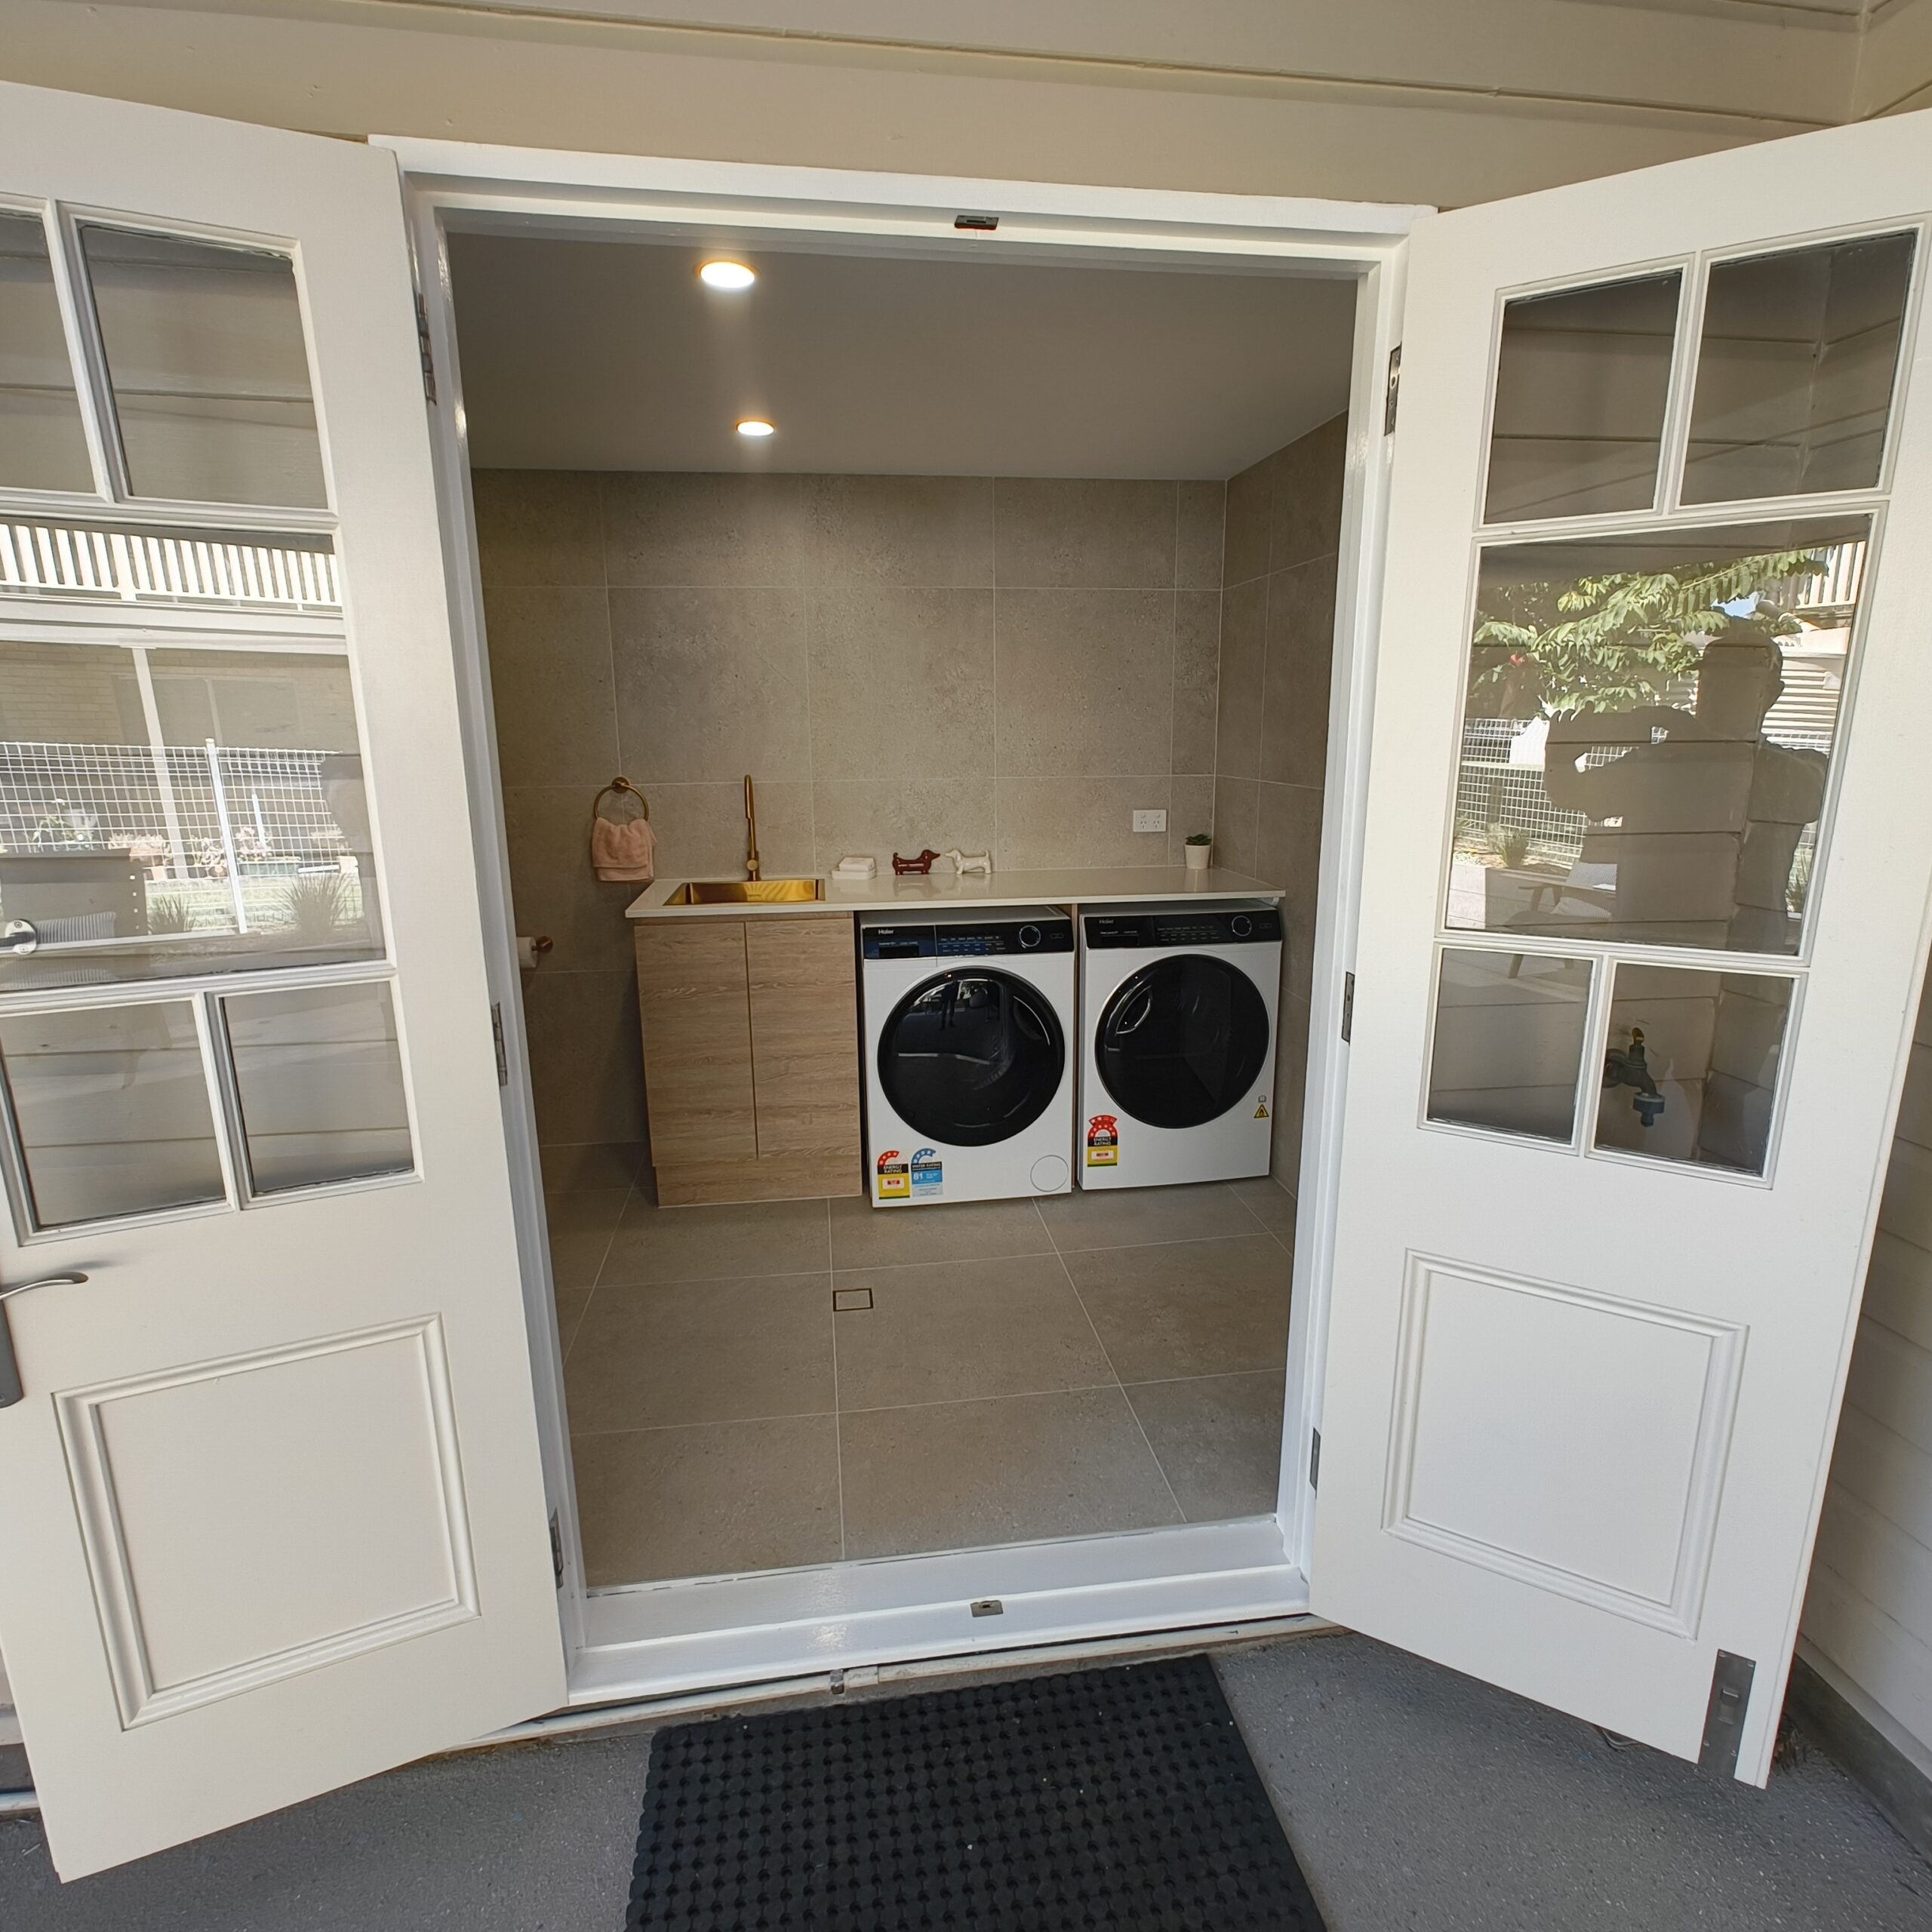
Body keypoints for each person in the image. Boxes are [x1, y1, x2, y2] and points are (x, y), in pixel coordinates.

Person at [1538, 623, 1824, 953]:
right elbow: (1573, 793)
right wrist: (1558, 756)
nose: (1716, 690)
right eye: (1710, 678)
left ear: (1772, 693)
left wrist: (1700, 741)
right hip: (1650, 941)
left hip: (1744, 952)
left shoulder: (1794, 769)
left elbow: (1803, 794)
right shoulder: (1660, 762)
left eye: (1736, 681)